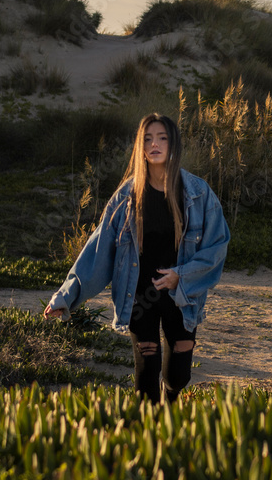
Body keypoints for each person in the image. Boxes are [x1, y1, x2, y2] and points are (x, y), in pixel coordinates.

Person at [43, 113, 230, 405]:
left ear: (174, 144)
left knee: (178, 375)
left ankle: (170, 403)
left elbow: (217, 245)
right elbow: (98, 248)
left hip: (181, 294)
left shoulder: (197, 193)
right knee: (146, 375)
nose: (154, 144)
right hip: (139, 295)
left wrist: (181, 274)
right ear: (140, 146)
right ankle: (149, 436)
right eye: (147, 139)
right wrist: (65, 296)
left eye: (162, 138)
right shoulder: (127, 196)